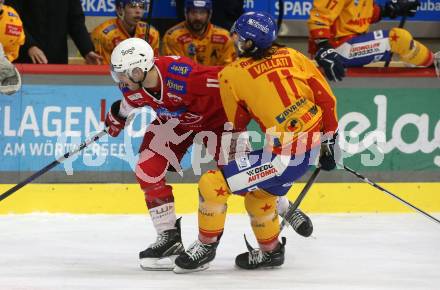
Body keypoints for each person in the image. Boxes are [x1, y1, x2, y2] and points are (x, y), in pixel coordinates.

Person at [105, 37, 313, 271]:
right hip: (175, 125)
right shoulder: (131, 84)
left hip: (219, 122)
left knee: (243, 181)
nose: (119, 80)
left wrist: (260, 109)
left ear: (139, 69)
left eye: (122, 73)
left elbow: (231, 82)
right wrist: (116, 117)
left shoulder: (184, 77)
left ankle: (284, 206)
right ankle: (168, 238)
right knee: (147, 168)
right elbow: (128, 103)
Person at [173, 11, 339, 273]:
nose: (235, 38)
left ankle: (206, 246)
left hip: (282, 159)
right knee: (258, 199)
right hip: (308, 150)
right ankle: (271, 252)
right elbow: (326, 100)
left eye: (239, 35)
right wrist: (330, 141)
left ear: (248, 43)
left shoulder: (231, 74)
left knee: (211, 184)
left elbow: (236, 123)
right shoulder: (294, 56)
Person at [308, 0, 434, 81]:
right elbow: (319, 18)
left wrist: (392, 9)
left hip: (352, 45)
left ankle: (429, 62)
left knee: (399, 39)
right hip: (334, 52)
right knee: (399, 39)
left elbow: (363, 15)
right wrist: (324, 47)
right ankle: (434, 62)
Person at [5, 0, 101, 64]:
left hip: (57, 59)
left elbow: (76, 21)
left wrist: (87, 50)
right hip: (25, 58)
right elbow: (11, 19)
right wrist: (29, 46)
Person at [162, 0, 235, 66]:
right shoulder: (173, 37)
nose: (198, 17)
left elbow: (228, 69)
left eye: (202, 12)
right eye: (193, 12)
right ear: (186, 13)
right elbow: (173, 70)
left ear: (209, 14)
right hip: (185, 80)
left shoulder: (224, 37)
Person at [91, 0, 160, 65]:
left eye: (141, 7)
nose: (138, 11)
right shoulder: (103, 35)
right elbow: (102, 70)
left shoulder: (151, 33)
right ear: (119, 9)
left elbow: (154, 66)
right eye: (132, 6)